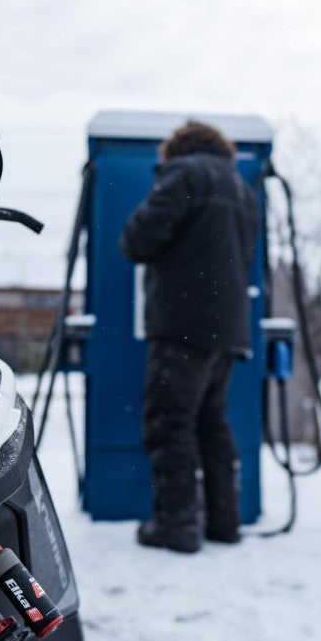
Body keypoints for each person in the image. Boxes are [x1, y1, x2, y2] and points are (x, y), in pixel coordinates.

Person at [119, 120, 259, 553]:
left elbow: (136, 242)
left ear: (175, 150)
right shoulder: (242, 187)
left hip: (183, 323)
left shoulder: (183, 174)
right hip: (228, 328)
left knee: (170, 422)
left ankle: (177, 525)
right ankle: (224, 523)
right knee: (210, 423)